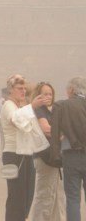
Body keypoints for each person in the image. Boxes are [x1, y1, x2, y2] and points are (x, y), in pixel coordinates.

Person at [2, 74, 47, 221]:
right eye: (19, 88)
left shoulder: (20, 106)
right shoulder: (8, 105)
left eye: (24, 89)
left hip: (26, 153)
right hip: (13, 154)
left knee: (28, 195)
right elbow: (18, 120)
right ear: (11, 90)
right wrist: (32, 106)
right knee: (17, 196)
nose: (23, 91)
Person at [50, 76, 86, 221]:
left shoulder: (61, 106)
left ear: (71, 89)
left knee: (72, 198)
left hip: (71, 156)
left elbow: (55, 133)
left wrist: (55, 157)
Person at [29, 81, 65, 221]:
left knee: (56, 195)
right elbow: (47, 130)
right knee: (45, 196)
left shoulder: (48, 111)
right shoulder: (39, 110)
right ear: (38, 95)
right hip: (45, 158)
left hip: (52, 159)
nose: (48, 96)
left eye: (50, 94)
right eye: (45, 94)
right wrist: (63, 135)